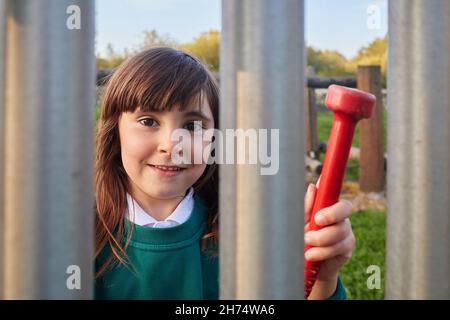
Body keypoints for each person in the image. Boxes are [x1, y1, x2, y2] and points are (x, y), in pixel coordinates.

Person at [94, 47, 355, 300]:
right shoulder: (79, 234)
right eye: (148, 121)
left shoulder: (246, 231)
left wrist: (322, 276)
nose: (172, 144)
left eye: (193, 126)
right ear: (114, 131)